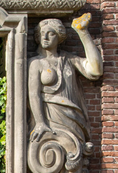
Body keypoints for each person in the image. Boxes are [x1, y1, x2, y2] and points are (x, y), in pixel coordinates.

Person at [28, 13, 103, 144]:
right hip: (49, 117)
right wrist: (40, 122)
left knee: (75, 153)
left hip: (71, 117)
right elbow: (33, 94)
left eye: (50, 33)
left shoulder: (69, 59)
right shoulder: (35, 63)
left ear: (59, 37)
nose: (45, 37)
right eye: (41, 33)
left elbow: (96, 70)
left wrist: (83, 33)